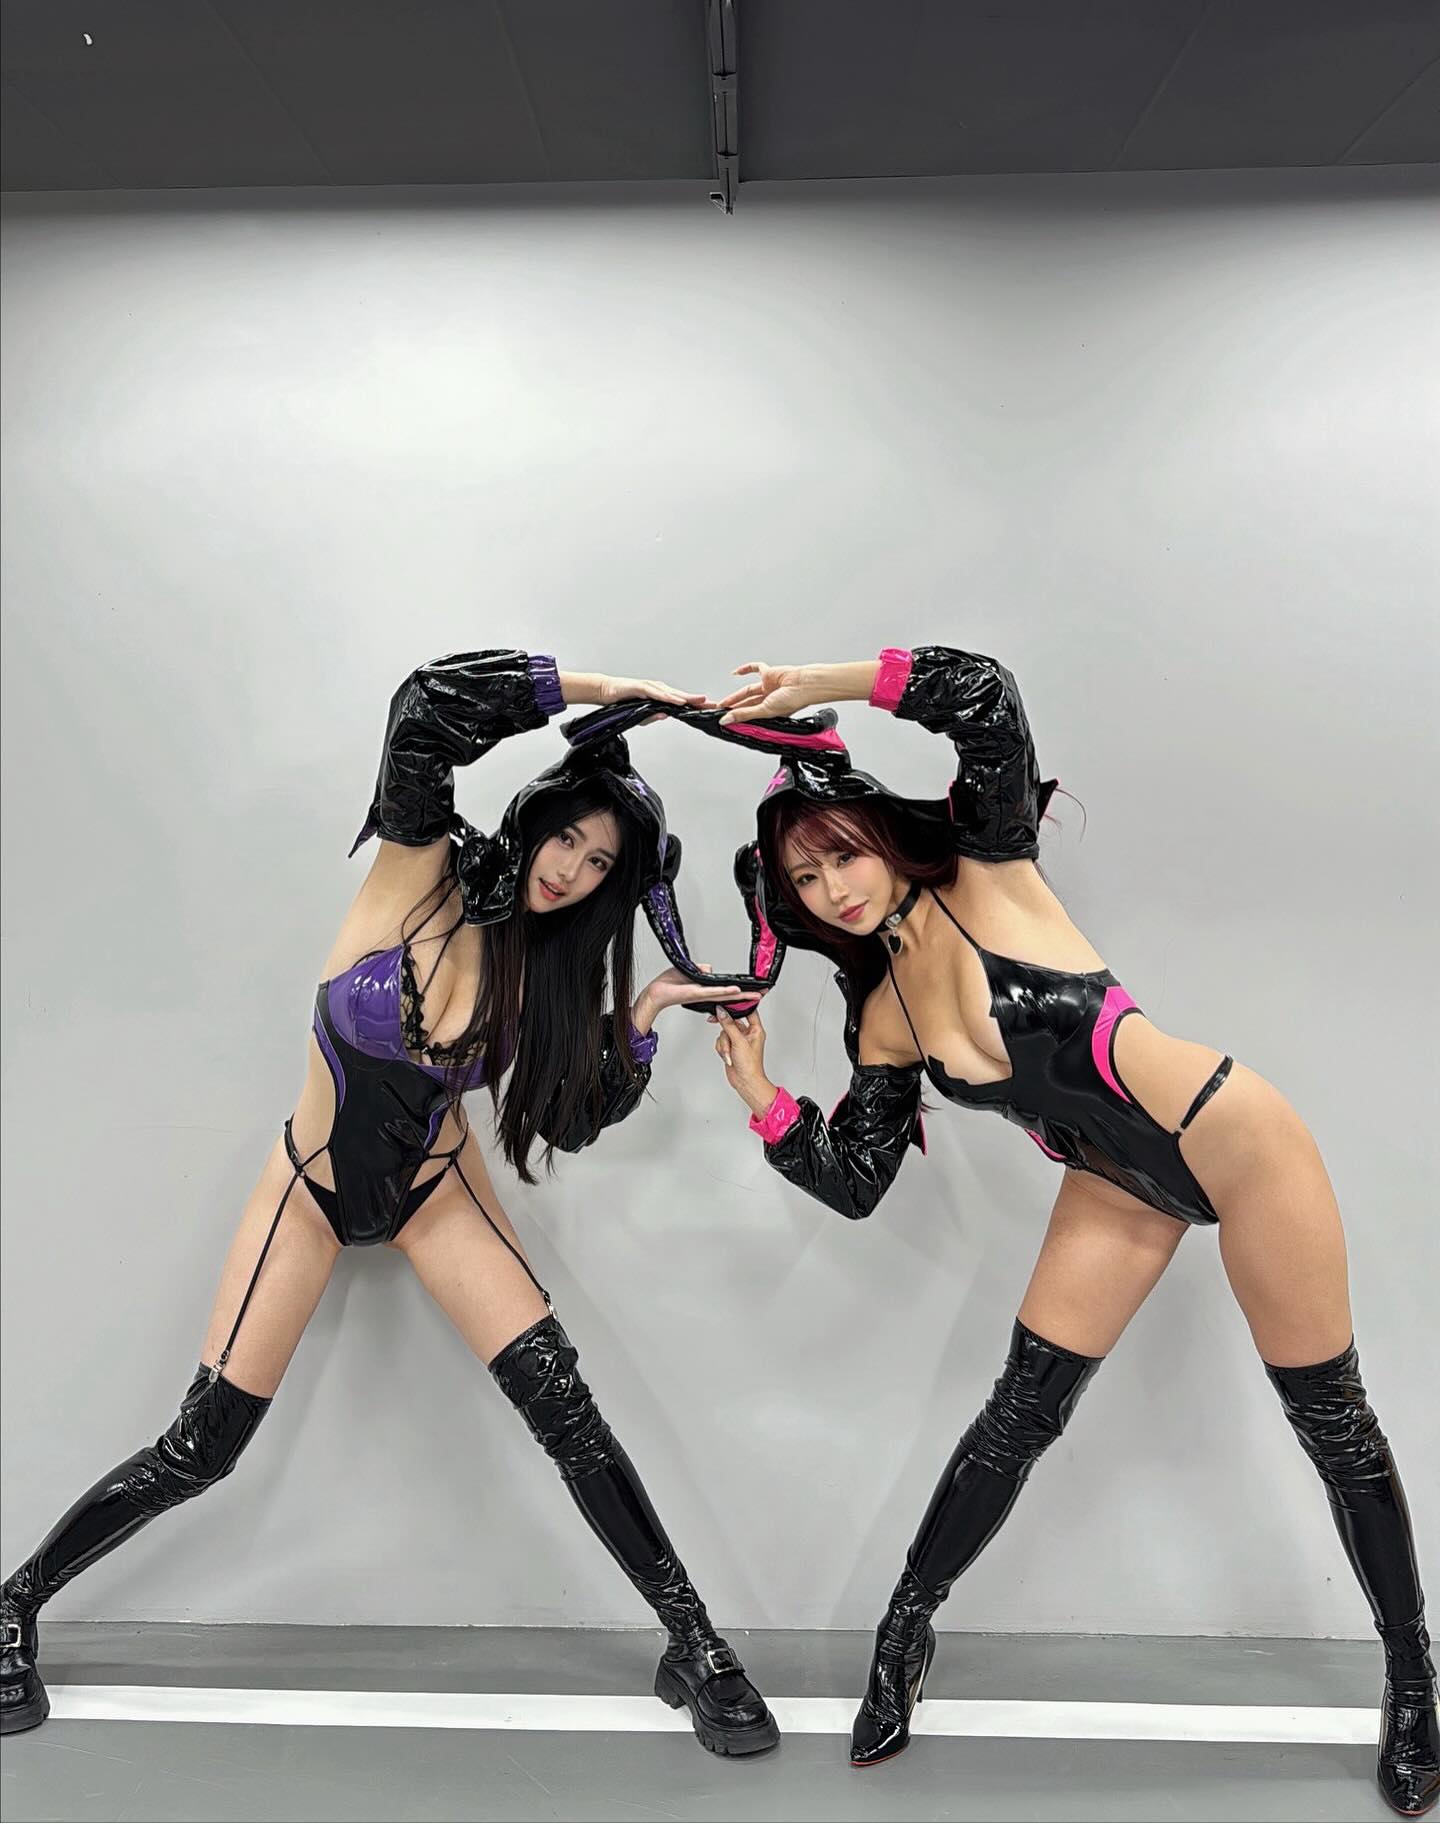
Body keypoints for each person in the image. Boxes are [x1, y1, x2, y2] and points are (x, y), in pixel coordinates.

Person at [1, 648, 779, 1759]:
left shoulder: (545, 963)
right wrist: (610, 693)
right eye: (567, 836)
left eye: (601, 861)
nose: (571, 868)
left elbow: (569, 1121)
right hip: (311, 1188)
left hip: (433, 1191)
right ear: (536, 817)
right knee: (203, 1445)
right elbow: (424, 710)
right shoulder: (419, 866)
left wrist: (644, 1013)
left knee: (566, 1410)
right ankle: (14, 1602)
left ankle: (693, 1642)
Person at [703, 644, 1435, 1813]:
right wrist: (764, 1099)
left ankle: (1413, 1677)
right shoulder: (882, 1014)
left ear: (881, 836)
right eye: (805, 876)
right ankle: (904, 1632)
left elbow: (984, 699)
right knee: (1017, 1415)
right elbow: (856, 1182)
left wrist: (823, 685)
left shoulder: (989, 873)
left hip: (1232, 1140)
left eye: (843, 851)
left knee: (1333, 1423)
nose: (834, 886)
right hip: (1116, 1183)